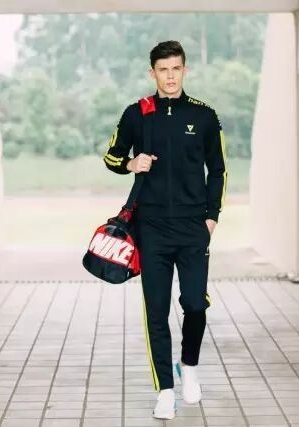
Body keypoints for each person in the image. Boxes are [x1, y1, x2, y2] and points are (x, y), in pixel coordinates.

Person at [103, 40, 227, 420]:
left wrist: (211, 217)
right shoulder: (137, 113)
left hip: (192, 227)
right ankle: (166, 390)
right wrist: (131, 163)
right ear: (152, 73)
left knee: (195, 303)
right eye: (163, 70)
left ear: (184, 70)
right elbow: (111, 157)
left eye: (176, 69)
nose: (170, 77)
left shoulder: (204, 116)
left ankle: (188, 366)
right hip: (151, 228)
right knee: (155, 311)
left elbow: (218, 170)